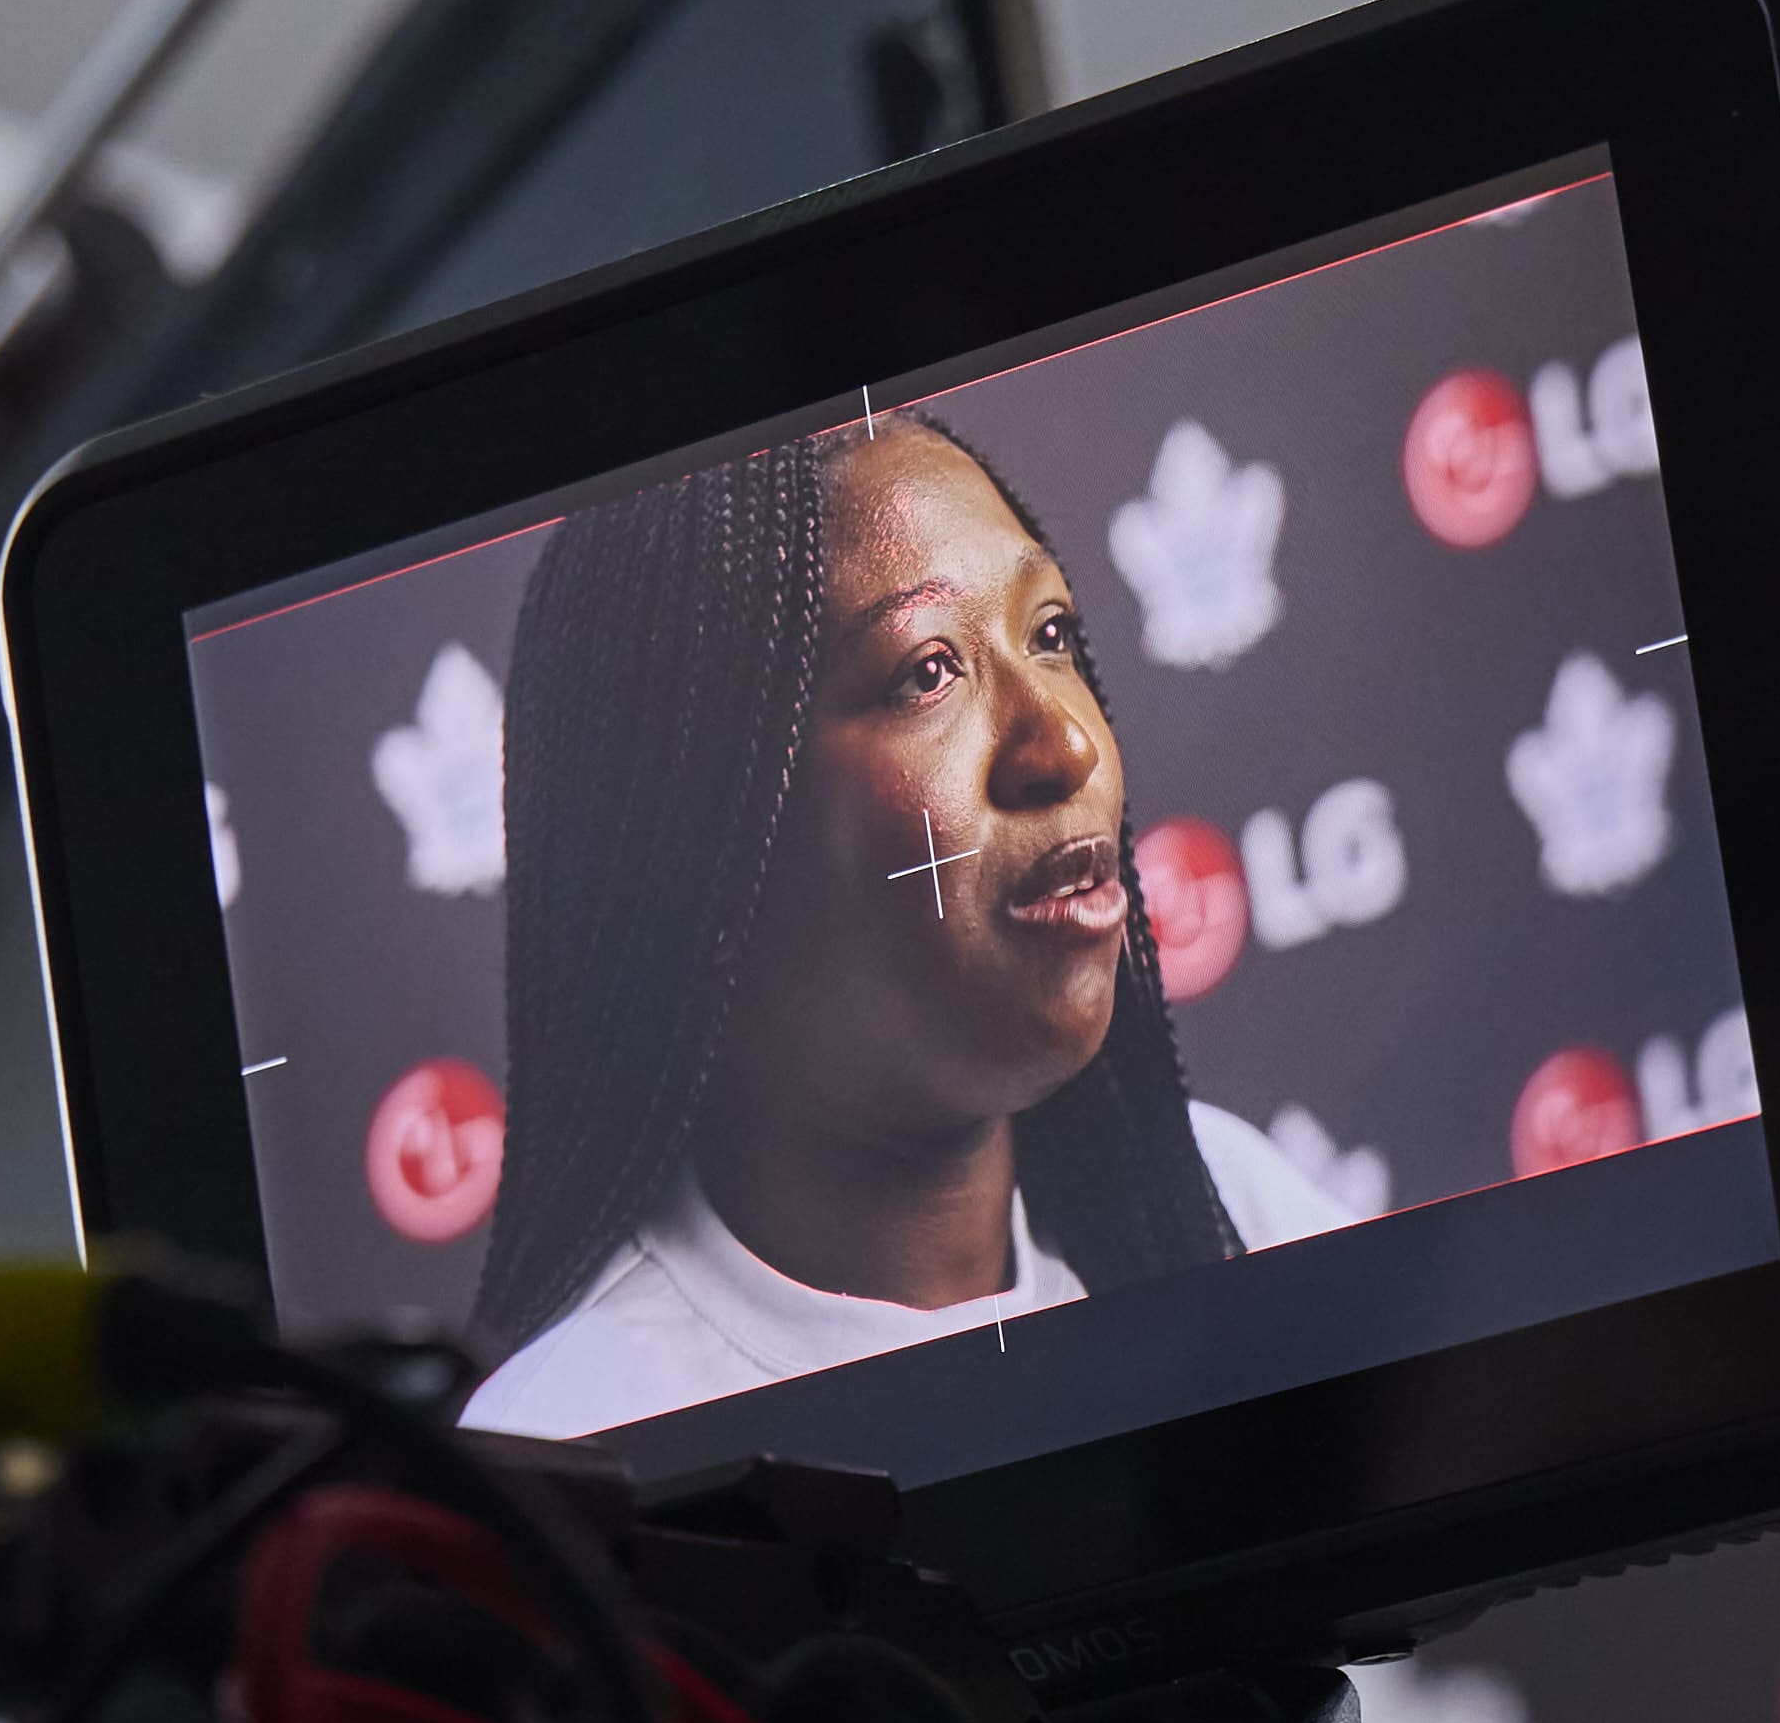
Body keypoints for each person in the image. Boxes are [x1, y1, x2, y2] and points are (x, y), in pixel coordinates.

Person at [456, 405, 1346, 1442]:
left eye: (1049, 634)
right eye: (926, 670)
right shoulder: (571, 1449)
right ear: (702, 839)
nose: (1061, 742)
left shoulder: (1226, 1203)